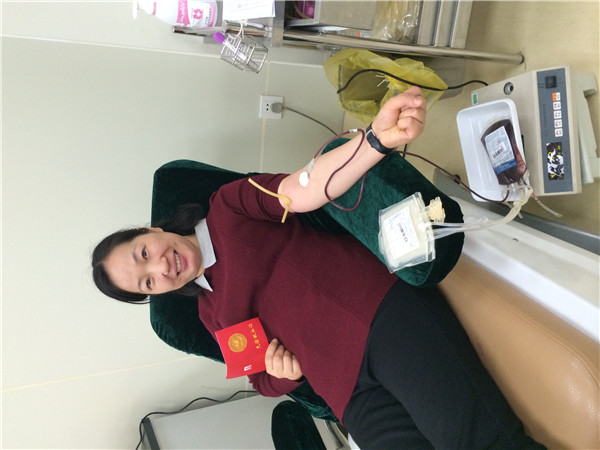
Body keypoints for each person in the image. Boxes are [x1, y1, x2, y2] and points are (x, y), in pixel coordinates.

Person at [92, 87, 544, 449]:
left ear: (148, 230)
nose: (161, 268)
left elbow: (302, 189)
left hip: (377, 319)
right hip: (347, 393)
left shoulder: (226, 209)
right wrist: (281, 372)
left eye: (143, 253)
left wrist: (374, 142)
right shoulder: (211, 314)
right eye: (147, 283)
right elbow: (260, 378)